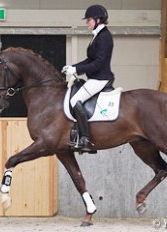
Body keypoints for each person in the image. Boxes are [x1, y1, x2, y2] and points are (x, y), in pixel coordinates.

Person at [62, 4, 115, 151]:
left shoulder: (104, 37)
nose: (87, 23)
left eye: (89, 20)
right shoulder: (97, 35)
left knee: (75, 100)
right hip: (95, 77)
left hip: (100, 78)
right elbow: (90, 59)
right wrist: (73, 67)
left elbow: (98, 63)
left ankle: (85, 139)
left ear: (98, 19)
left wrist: (77, 69)